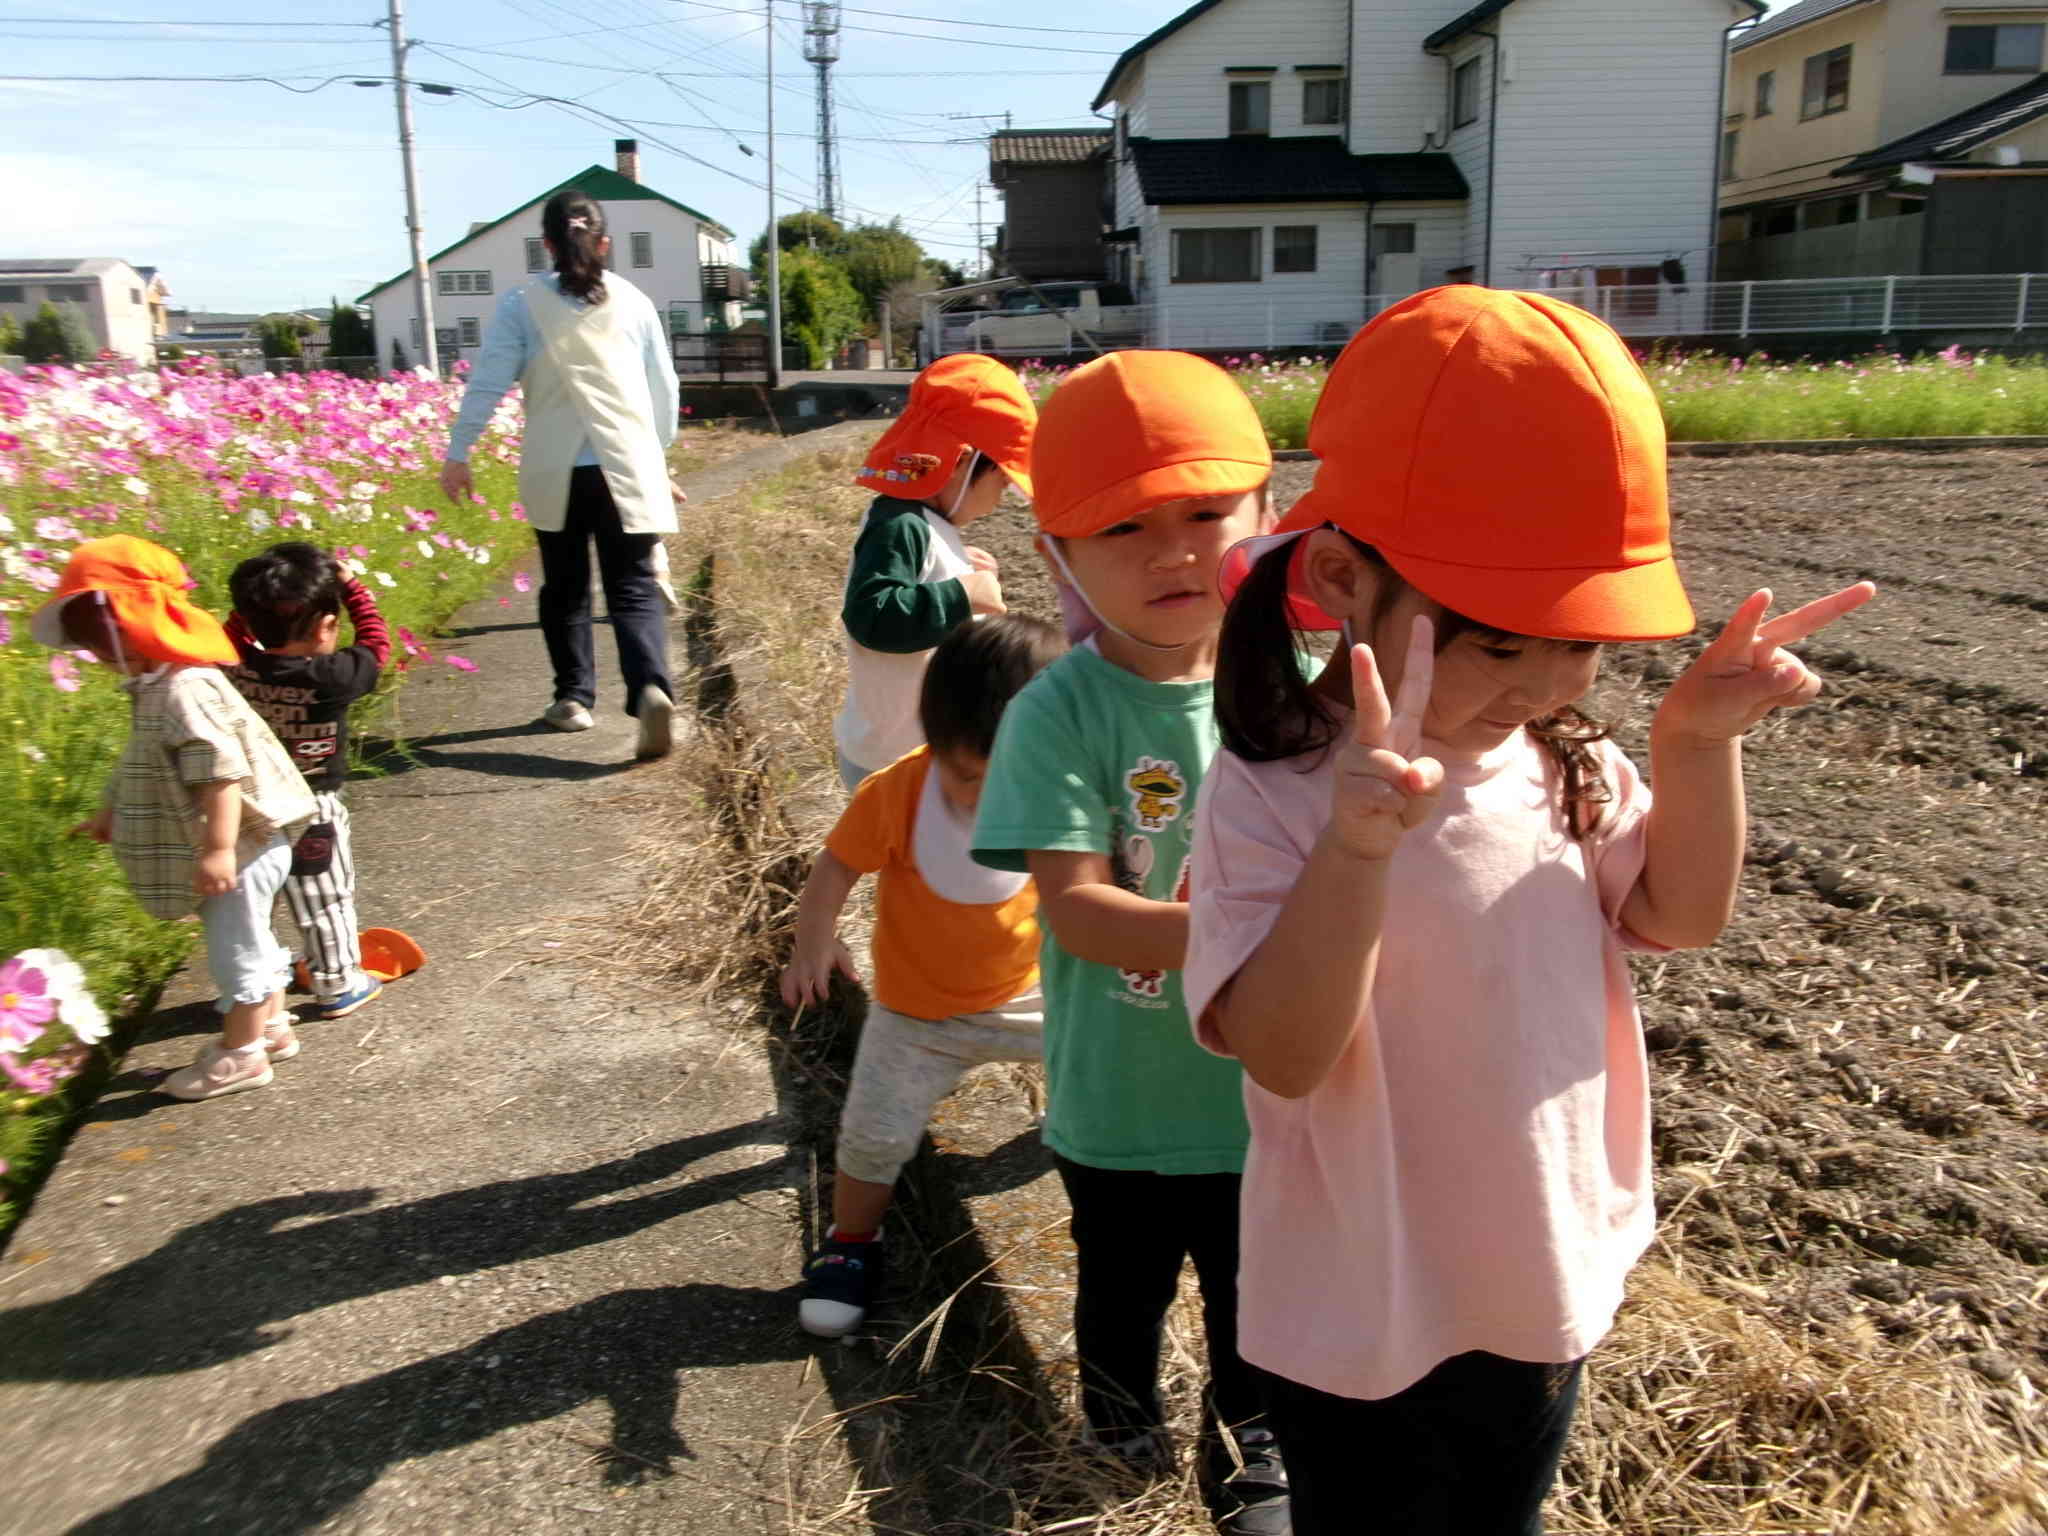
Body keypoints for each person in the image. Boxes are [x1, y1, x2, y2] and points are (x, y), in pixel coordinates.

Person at [1184, 286, 1876, 1536]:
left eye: (1582, 644)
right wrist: (1356, 849)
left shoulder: (1564, 760)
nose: (1549, 681)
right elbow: (1282, 1056)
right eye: (1500, 644)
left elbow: (1677, 915)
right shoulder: (1276, 792)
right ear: (1341, 578)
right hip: (1359, 1300)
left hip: (1538, 1274)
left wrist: (1692, 742)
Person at [971, 352, 1289, 1536]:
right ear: (1055, 556)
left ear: (1271, 518)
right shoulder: (1061, 711)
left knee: (1259, 1295)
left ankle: (1249, 1442)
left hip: (1268, 1095)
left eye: (1205, 514)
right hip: (1119, 1099)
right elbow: (1080, 912)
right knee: (1121, 1281)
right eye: (1122, 529)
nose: (1172, 553)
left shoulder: (1304, 685)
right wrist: (1254, 935)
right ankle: (1114, 1422)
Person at [781, 614, 1068, 1338]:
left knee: (1101, 1056)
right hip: (918, 1015)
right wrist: (813, 939)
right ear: (934, 741)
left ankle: (1071, 1125)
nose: (986, 796)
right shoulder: (898, 793)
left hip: (1033, 997)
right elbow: (838, 862)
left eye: (1008, 775)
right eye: (968, 775)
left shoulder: (1060, 788)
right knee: (873, 1134)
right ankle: (851, 1243)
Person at [32, 537, 319, 1101]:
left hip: (242, 844)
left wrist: (217, 851)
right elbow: (143, 758)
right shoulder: (158, 686)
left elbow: (220, 774)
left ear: (133, 626)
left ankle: (241, 1056)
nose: (98, 659)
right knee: (252, 936)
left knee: (234, 950)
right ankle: (274, 1028)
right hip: (246, 842)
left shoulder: (183, 690)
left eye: (103, 645)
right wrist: (112, 811)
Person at [439, 187, 687, 760]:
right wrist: (658, 455)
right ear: (606, 243)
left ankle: (573, 699)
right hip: (626, 463)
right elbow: (664, 390)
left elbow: (488, 382)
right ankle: (650, 686)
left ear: (546, 245)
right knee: (634, 584)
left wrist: (460, 452)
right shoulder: (635, 301)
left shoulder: (520, 304)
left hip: (555, 468)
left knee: (566, 584)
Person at [834, 353, 1035, 791]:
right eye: (1001, 482)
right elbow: (873, 616)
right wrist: (959, 594)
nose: (1001, 498)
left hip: (915, 752)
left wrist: (962, 569)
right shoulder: (899, 525)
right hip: (897, 764)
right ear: (960, 462)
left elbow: (919, 579)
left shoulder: (924, 522)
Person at [223, 542, 389, 1022]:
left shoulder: (236, 664)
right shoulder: (334, 675)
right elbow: (377, 642)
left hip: (249, 806)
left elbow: (227, 635)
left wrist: (246, 616)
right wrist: (353, 589)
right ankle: (336, 980)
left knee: (257, 902)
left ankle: (267, 976)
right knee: (324, 897)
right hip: (311, 807)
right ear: (325, 626)